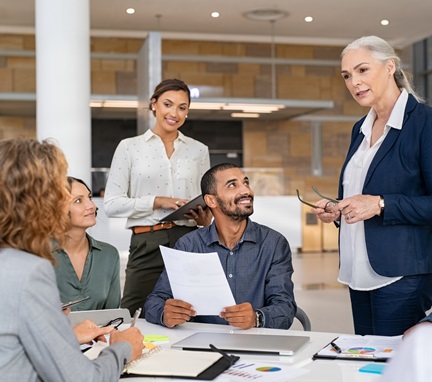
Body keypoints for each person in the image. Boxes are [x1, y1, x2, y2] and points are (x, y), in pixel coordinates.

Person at [312, 35, 432, 336]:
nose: (354, 82)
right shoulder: (360, 128)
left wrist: (379, 204)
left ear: (390, 66)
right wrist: (337, 209)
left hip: (403, 275)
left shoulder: (425, 123)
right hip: (358, 272)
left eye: (362, 70)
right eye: (347, 75)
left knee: (396, 371)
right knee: (366, 366)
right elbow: (357, 195)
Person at [0, 138, 144, 382]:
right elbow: (81, 381)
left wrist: (57, 329)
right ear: (37, 199)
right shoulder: (29, 270)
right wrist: (123, 349)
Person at [104, 78, 211, 317]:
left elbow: (207, 198)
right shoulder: (129, 147)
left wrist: (206, 217)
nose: (174, 113)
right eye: (168, 104)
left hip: (190, 239)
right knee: (132, 313)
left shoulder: (199, 150)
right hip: (147, 242)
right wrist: (157, 201)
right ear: (154, 104)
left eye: (182, 107)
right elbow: (111, 204)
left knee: (193, 313)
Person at [145, 163, 297, 330]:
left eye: (246, 183)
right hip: (200, 347)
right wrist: (165, 314)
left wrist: (256, 318)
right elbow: (155, 301)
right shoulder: (188, 245)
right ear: (211, 200)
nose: (246, 190)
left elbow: (285, 308)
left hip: (255, 344)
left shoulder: (274, 243)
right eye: (233, 185)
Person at [53, 177, 121, 310]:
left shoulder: (109, 255)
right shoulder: (40, 255)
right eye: (78, 201)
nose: (92, 206)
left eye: (89, 198)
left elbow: (113, 316)